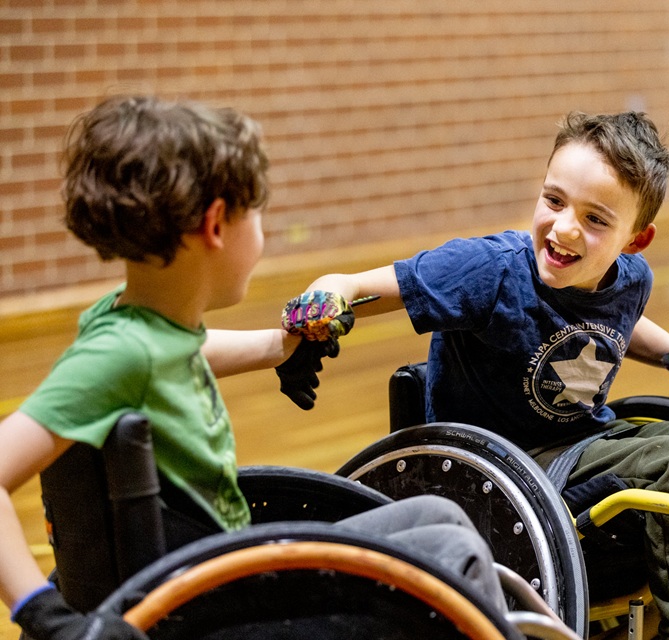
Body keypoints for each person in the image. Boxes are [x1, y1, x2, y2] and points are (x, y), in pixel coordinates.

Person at [0, 95, 505, 640]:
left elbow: (181, 351)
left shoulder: (133, 323)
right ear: (217, 224)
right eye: (257, 215)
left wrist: (278, 347)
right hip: (211, 605)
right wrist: (44, 614)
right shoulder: (115, 358)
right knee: (452, 552)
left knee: (441, 516)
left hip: (219, 572)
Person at [284, 111, 669, 640]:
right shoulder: (487, 269)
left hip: (581, 441)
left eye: (596, 219)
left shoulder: (631, 279)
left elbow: (612, 321)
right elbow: (354, 284)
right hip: (503, 469)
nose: (564, 227)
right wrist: (322, 300)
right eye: (554, 200)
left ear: (636, 240)